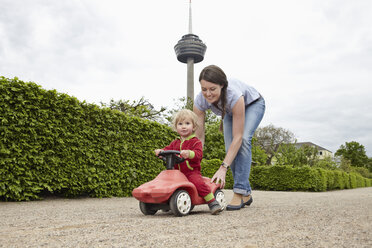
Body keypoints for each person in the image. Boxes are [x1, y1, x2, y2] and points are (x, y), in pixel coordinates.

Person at [193, 65, 265, 211]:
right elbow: (198, 135)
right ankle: (246, 192)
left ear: (222, 85)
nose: (208, 93)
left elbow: (238, 137)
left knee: (243, 140)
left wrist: (223, 168)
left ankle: (239, 192)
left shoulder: (234, 95)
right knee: (229, 150)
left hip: (252, 104)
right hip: (229, 112)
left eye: (212, 89)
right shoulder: (200, 101)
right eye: (204, 89)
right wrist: (194, 158)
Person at [154, 109, 223, 215]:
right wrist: (160, 152)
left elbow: (199, 154)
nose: (184, 126)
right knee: (165, 182)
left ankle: (212, 202)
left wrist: (190, 154)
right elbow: (167, 149)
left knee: (198, 183)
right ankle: (165, 200)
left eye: (187, 123)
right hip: (177, 173)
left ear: (194, 126)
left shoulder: (195, 142)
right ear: (176, 127)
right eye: (180, 124)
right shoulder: (175, 143)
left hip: (191, 172)